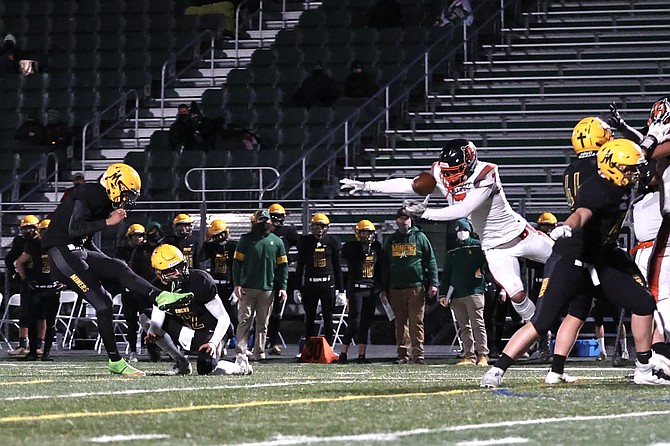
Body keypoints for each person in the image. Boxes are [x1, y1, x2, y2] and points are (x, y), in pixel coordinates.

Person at [480, 138, 670, 387]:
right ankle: (497, 370)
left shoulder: (623, 179)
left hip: (601, 259)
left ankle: (643, 369)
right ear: (613, 166)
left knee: (642, 303)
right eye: (630, 168)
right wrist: (566, 227)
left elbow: (650, 165)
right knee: (543, 320)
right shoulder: (596, 188)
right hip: (571, 259)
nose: (635, 173)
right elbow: (581, 214)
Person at [341, 138, 553, 322]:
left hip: (521, 235)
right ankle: (541, 332)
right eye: (447, 171)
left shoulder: (486, 173)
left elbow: (463, 209)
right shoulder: (440, 173)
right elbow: (410, 184)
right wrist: (368, 186)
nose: (449, 177)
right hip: (494, 248)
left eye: (454, 171)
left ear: (470, 162)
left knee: (572, 259)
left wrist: (424, 213)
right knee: (517, 295)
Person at [39, 163, 192, 376]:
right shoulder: (91, 192)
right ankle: (115, 361)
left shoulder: (103, 200)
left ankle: (160, 297)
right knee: (104, 303)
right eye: (127, 194)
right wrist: (107, 222)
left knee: (119, 266)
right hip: (61, 252)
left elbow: (84, 241)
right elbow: (74, 229)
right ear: (114, 183)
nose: (128, 200)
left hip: (76, 251)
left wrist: (104, 262)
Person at [141, 244, 252, 375]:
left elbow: (223, 318)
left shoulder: (199, 280)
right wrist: (153, 332)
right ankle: (181, 362)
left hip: (209, 332)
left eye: (180, 267)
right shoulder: (157, 286)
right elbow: (159, 310)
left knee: (206, 368)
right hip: (185, 329)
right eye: (171, 270)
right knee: (146, 317)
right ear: (159, 273)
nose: (178, 273)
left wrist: (213, 342)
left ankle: (241, 367)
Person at [381, 209, 439, 364]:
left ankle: (418, 355)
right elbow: (384, 264)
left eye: (406, 218)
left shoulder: (420, 237)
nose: (403, 221)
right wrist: (383, 288)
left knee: (416, 322)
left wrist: (434, 283)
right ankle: (402, 354)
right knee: (400, 323)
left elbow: (431, 261)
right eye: (400, 218)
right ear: (396, 221)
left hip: (416, 287)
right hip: (395, 287)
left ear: (411, 220)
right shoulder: (391, 239)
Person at [233, 210, 288, 361]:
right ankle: (241, 351)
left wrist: (283, 287)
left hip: (268, 289)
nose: (264, 222)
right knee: (244, 320)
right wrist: (237, 284)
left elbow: (283, 267)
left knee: (263, 323)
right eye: (261, 219)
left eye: (266, 219)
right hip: (247, 287)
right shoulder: (246, 240)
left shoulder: (277, 241)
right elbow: (237, 264)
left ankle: (259, 351)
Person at [441, 218, 488, 366]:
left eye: (464, 230)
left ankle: (482, 355)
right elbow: (447, 273)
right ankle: (469, 354)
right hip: (457, 293)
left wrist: (483, 274)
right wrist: (443, 294)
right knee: (464, 326)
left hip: (474, 290)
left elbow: (487, 263)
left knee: (478, 324)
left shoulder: (478, 247)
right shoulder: (453, 251)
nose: (461, 233)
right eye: (459, 231)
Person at [14, 219, 61, 361]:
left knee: (50, 323)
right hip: (37, 288)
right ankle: (33, 352)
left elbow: (69, 263)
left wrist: (65, 281)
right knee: (33, 321)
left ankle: (46, 353)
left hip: (52, 288)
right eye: (43, 231)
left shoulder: (58, 245)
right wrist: (25, 278)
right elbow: (19, 261)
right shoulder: (33, 244)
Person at [295, 213, 344, 347]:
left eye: (322, 226)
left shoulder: (332, 241)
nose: (319, 228)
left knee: (328, 317)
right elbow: (300, 266)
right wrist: (297, 287)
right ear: (312, 226)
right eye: (316, 225)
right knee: (309, 317)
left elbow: (337, 266)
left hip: (327, 283)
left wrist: (341, 290)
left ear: (327, 227)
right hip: (310, 284)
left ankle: (328, 348)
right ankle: (308, 348)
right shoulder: (305, 241)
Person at [339, 220, 383, 364]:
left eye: (369, 233)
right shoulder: (351, 247)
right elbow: (345, 254)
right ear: (358, 234)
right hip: (356, 288)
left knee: (366, 323)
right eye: (363, 232)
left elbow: (381, 267)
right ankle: (343, 353)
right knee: (354, 323)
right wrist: (362, 247)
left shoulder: (377, 247)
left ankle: (361, 355)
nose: (366, 236)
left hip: (370, 290)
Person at [266, 203, 299, 355]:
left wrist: (290, 258)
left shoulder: (288, 231)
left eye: (280, 216)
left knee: (277, 312)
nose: (278, 220)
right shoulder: (265, 231)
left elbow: (301, 247)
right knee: (261, 312)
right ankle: (260, 342)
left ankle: (272, 342)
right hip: (265, 274)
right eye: (275, 217)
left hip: (280, 275)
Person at [130, 220, 166, 362]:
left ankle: (168, 348)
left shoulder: (164, 248)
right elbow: (134, 271)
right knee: (147, 319)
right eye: (152, 232)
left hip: (162, 289)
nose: (155, 235)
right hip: (144, 290)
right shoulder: (139, 250)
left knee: (164, 320)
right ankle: (152, 348)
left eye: (157, 232)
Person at [5, 215, 41, 356]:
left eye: (31, 228)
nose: (28, 231)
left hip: (44, 280)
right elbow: (11, 260)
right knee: (25, 313)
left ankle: (39, 344)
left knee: (42, 316)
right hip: (27, 281)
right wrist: (16, 275)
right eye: (25, 228)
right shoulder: (20, 242)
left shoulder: (44, 241)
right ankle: (22, 344)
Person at [201, 219, 238, 348]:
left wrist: (235, 287)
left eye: (221, 234)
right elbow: (200, 257)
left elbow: (237, 267)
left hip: (228, 285)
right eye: (216, 235)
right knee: (216, 316)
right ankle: (221, 342)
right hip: (216, 285)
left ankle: (236, 341)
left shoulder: (234, 245)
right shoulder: (211, 246)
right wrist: (206, 241)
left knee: (233, 316)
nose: (219, 237)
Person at [115, 223, 148, 363]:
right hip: (129, 291)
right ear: (129, 237)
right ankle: (133, 350)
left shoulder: (145, 251)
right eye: (135, 236)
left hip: (142, 290)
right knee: (131, 322)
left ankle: (149, 348)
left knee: (147, 320)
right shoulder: (123, 251)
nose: (138, 239)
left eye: (140, 236)